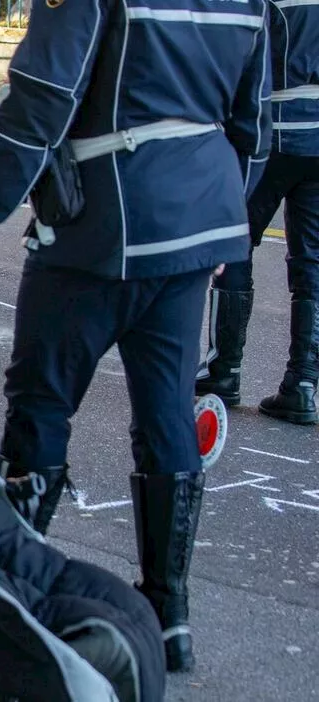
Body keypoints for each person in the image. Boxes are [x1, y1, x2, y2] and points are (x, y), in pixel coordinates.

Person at [0, 0, 271, 674]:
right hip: (192, 229)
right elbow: (252, 127)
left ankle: (16, 600)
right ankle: (169, 616)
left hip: (101, 231)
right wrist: (220, 221)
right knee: (167, 414)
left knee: (41, 402)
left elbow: (41, 103)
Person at [195, 0, 319, 425]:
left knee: (236, 244)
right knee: (312, 263)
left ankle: (224, 371)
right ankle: (303, 384)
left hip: (274, 129)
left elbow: (238, 59)